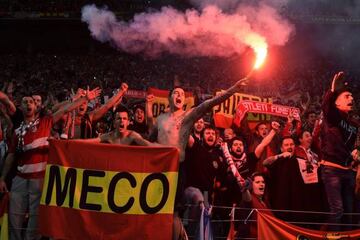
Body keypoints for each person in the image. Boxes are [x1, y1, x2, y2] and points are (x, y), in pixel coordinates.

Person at [0, 88, 100, 240]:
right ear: (20, 107)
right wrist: (2, 178)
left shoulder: (46, 122)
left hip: (40, 180)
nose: (28, 104)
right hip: (20, 179)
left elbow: (66, 109)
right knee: (15, 217)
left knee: (36, 217)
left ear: (36, 107)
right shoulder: (17, 131)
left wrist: (84, 99)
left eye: (31, 102)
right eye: (25, 102)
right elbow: (11, 156)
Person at [320, 71, 360, 230]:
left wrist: (357, 151)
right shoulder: (333, 116)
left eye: (352, 96)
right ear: (336, 103)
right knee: (338, 211)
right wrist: (332, 90)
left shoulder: (355, 123)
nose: (351, 98)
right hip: (332, 170)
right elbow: (326, 107)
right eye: (346, 96)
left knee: (350, 212)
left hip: (348, 170)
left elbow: (354, 145)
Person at [88, 107, 157, 146]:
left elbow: (149, 145)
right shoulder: (108, 136)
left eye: (124, 119)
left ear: (128, 122)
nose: (121, 121)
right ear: (114, 123)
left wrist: (166, 149)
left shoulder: (132, 135)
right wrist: (76, 143)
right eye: (119, 118)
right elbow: (90, 142)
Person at [234, 172, 273, 239]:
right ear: (252, 185)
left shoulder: (266, 202)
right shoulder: (250, 199)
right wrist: (244, 189)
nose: (261, 184)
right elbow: (247, 199)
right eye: (257, 182)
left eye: (263, 182)